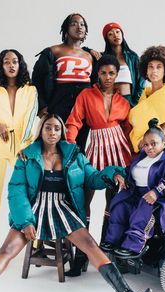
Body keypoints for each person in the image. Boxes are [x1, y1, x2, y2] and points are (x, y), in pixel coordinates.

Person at [0, 114, 152, 292]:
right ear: (41, 130)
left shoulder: (74, 155)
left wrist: (112, 174)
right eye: (48, 128)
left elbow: (92, 177)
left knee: (90, 245)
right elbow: (16, 190)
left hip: (63, 209)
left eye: (56, 128)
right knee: (6, 251)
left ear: (62, 132)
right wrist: (26, 221)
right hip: (33, 211)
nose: (52, 132)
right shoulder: (26, 157)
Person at [65, 54, 132, 276]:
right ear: (97, 73)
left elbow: (128, 130)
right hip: (94, 146)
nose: (107, 77)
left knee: (113, 203)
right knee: (85, 199)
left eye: (111, 73)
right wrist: (72, 148)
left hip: (118, 150)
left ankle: (104, 253)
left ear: (116, 74)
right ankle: (81, 256)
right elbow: (74, 121)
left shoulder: (123, 102)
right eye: (103, 72)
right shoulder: (86, 95)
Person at [0, 49, 38, 261]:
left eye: (15, 61)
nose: (11, 65)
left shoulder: (30, 91)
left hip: (21, 147)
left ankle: (35, 243)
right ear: (1, 66)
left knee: (29, 193)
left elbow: (31, 120)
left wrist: (24, 146)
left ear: (20, 65)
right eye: (6, 62)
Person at [102, 118, 165, 258]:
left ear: (164, 143)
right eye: (146, 144)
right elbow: (129, 170)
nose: (149, 148)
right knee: (119, 205)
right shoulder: (141, 157)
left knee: (143, 211)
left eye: (154, 144)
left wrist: (157, 191)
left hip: (157, 200)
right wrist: (121, 177)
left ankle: (133, 245)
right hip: (135, 193)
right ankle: (113, 241)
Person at [32, 13, 99, 153]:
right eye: (74, 24)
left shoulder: (90, 55)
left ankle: (76, 174)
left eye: (82, 24)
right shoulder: (54, 51)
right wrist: (42, 105)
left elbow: (96, 82)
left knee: (79, 143)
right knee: (57, 141)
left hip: (84, 102)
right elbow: (37, 78)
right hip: (61, 100)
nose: (79, 27)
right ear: (66, 29)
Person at [129, 45, 165, 153]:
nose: (154, 70)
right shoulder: (144, 94)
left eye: (159, 67)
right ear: (146, 70)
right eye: (150, 66)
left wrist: (155, 136)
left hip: (154, 148)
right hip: (138, 148)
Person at [102, 22, 145, 107]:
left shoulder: (133, 57)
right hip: (110, 101)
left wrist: (135, 102)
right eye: (110, 34)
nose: (115, 35)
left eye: (118, 32)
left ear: (122, 34)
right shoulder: (104, 59)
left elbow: (141, 81)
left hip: (128, 100)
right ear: (107, 39)